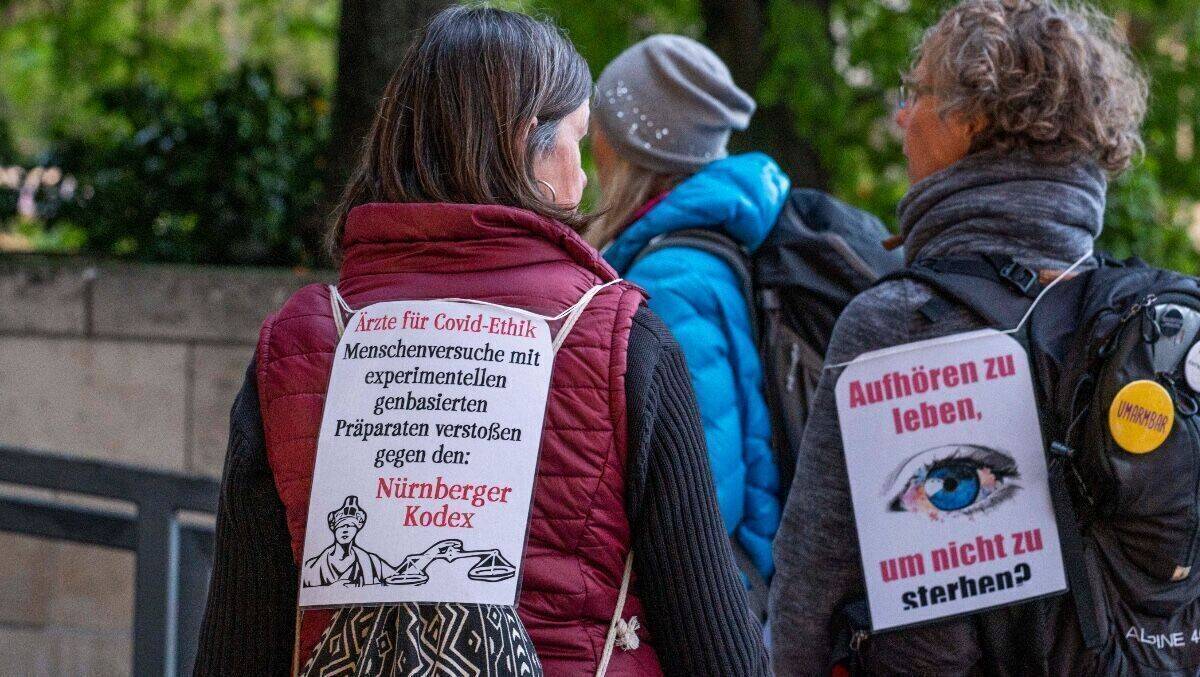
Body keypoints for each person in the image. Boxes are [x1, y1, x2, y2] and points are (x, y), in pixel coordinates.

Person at [194, 7, 768, 676]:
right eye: (576, 142)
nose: (582, 180)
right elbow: (716, 644)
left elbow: (240, 639)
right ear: (531, 139)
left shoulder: (300, 343)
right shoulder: (619, 335)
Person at [770, 0, 1147, 673]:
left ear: (971, 118)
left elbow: (809, 588)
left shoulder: (899, 321)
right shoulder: (1150, 328)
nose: (901, 115)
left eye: (915, 92)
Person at [588, 35, 788, 611]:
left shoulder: (674, 277)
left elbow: (705, 496)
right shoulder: (693, 247)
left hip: (721, 598)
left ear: (624, 142)